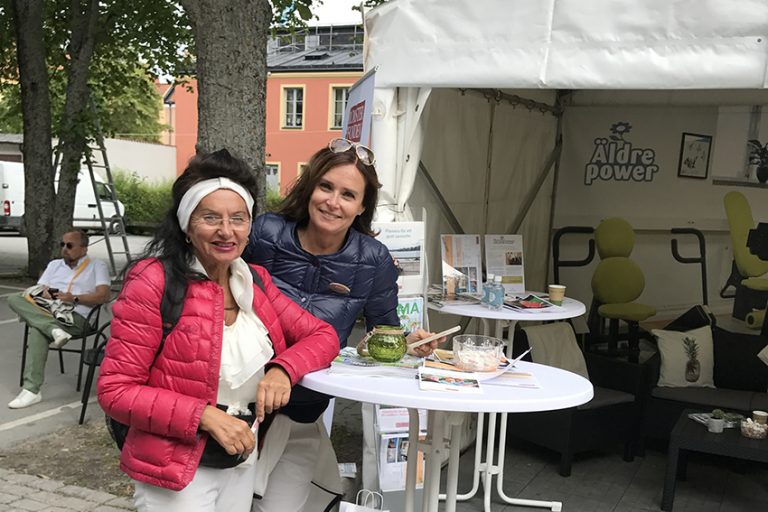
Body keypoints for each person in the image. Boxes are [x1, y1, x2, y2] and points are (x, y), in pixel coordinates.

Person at [97, 149, 339, 512]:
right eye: (210, 217)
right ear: (187, 226)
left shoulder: (254, 282)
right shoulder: (154, 281)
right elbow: (115, 390)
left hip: (240, 455)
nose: (227, 231)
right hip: (176, 464)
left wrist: (283, 370)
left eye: (238, 219)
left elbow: (324, 336)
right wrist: (204, 416)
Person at [244, 137, 442, 510]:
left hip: (302, 413)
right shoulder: (265, 232)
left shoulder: (373, 259)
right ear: (310, 187)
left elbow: (383, 332)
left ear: (362, 206)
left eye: (348, 195)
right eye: (326, 186)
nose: (333, 202)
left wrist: (409, 342)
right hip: (240, 404)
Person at [7, 229, 110, 409]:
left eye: (69, 245)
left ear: (84, 248)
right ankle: (53, 329)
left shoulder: (97, 265)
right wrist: (55, 294)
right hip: (51, 311)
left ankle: (31, 390)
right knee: (14, 298)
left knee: (37, 329)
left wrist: (74, 298)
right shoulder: (55, 265)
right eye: (62, 244)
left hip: (78, 317)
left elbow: (103, 296)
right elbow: (39, 290)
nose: (64, 249)